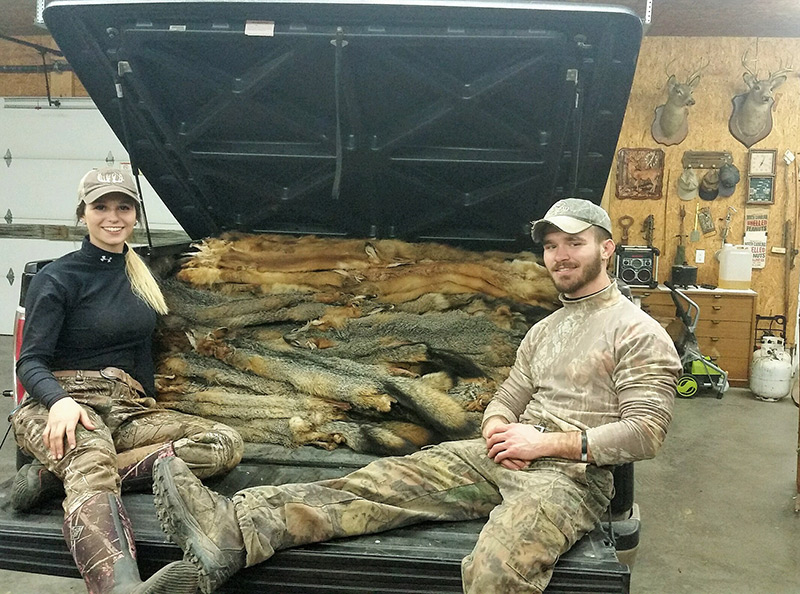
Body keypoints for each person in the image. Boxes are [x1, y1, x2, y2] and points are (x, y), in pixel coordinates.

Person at [151, 198, 682, 594]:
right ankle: (235, 530)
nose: (560, 256)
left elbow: (645, 433)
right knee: (375, 484)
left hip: (569, 480)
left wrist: (543, 444)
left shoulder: (637, 332)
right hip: (503, 456)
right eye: (550, 245)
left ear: (606, 248)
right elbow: (510, 393)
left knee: (496, 569)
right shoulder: (545, 329)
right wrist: (497, 424)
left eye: (574, 243)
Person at [11, 167, 245, 594]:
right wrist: (59, 402)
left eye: (123, 207)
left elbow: (140, 352)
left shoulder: (138, 273)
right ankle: (119, 587)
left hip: (123, 406)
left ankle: (53, 477)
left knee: (222, 442)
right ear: (83, 214)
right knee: (92, 461)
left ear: (136, 214)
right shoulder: (58, 278)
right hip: (62, 403)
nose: (113, 217)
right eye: (100, 207)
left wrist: (149, 406)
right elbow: (30, 361)